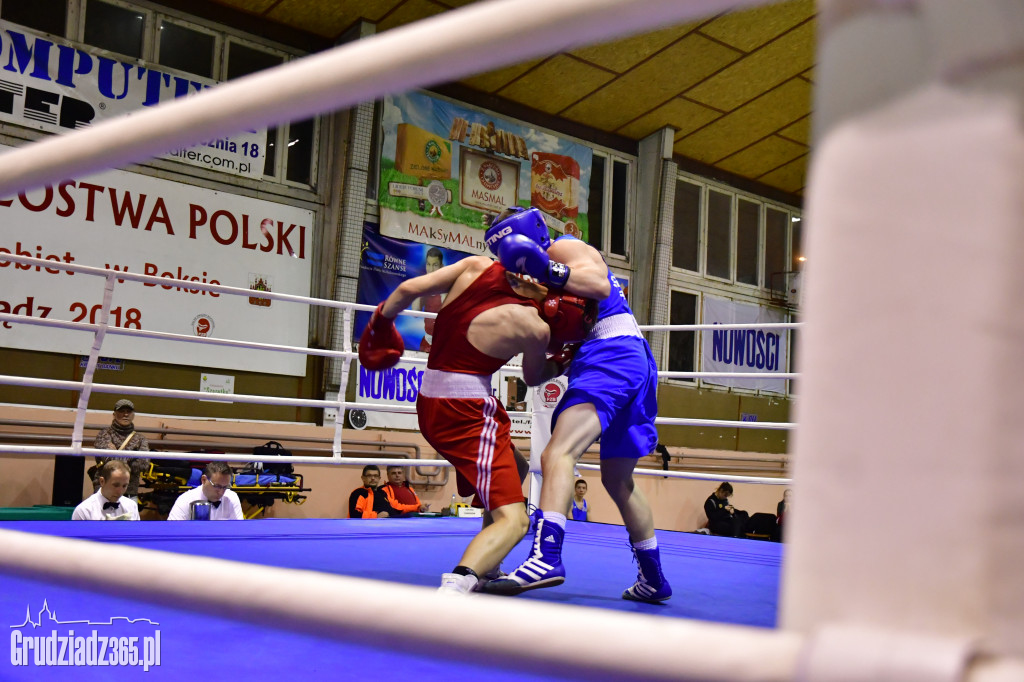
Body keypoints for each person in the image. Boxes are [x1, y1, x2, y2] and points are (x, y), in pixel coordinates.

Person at [359, 250, 594, 594]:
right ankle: (458, 583)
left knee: (517, 466)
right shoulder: (533, 325)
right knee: (516, 521)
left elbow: (408, 288)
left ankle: (490, 564)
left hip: (430, 399)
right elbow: (533, 377)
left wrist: (380, 323)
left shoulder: (477, 265)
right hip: (465, 411)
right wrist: (562, 362)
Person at [482, 206, 671, 603]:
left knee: (557, 454)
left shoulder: (564, 249)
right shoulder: (533, 298)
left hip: (611, 354)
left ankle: (546, 557)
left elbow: (600, 285)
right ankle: (653, 580)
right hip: (624, 362)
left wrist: (549, 270)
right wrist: (536, 342)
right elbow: (536, 376)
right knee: (619, 481)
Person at [91, 399, 151, 500]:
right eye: (121, 411)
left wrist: (117, 453)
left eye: (129, 411)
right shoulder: (104, 434)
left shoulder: (140, 438)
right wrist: (133, 455)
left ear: (133, 415)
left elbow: (143, 465)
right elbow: (108, 462)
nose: (125, 414)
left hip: (130, 492)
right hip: (104, 490)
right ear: (114, 414)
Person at [167, 462, 243, 520]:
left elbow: (239, 530)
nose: (221, 492)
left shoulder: (232, 497)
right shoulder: (185, 500)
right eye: (217, 486)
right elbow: (172, 531)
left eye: (225, 487)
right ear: (204, 480)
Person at [72, 460, 140, 520]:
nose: (120, 492)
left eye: (124, 486)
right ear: (102, 481)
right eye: (116, 485)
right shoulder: (84, 511)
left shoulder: (132, 506)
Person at [412, 247, 445, 351]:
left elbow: (448, 313)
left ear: (441, 266)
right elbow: (415, 314)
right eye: (428, 264)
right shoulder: (422, 286)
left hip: (443, 343)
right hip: (426, 342)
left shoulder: (448, 287)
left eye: (435, 265)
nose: (431, 270)